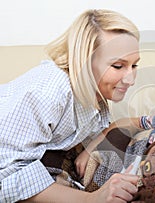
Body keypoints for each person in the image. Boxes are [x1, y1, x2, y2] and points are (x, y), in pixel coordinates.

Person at [0, 9, 140, 203]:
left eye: (134, 66)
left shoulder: (97, 96)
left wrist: (93, 145)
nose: (131, 79)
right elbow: (6, 177)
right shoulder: (49, 91)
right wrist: (91, 199)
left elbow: (105, 129)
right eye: (118, 66)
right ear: (84, 60)